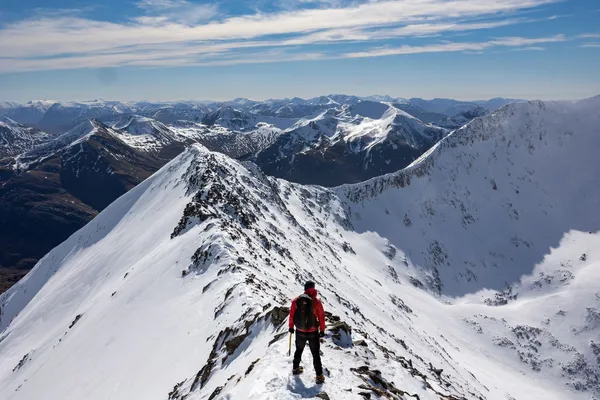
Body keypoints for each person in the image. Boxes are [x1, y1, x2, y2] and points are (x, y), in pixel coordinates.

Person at [289, 281, 326, 384]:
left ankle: (296, 369)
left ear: (305, 289)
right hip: (313, 332)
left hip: (300, 331)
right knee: (315, 354)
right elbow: (321, 317)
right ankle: (319, 376)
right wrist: (322, 330)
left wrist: (291, 327)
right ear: (314, 289)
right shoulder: (317, 302)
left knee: (299, 350)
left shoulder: (296, 301)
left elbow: (291, 315)